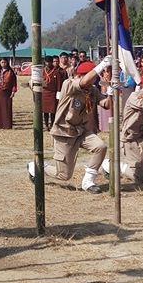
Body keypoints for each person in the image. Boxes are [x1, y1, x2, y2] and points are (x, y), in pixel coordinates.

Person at [39, 57, 112, 193]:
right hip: (64, 132)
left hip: (81, 130)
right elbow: (84, 82)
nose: (92, 82)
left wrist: (111, 91)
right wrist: (102, 65)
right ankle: (38, 168)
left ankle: (88, 182)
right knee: (64, 175)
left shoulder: (92, 90)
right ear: (79, 75)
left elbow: (106, 105)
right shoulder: (69, 84)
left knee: (100, 147)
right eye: (91, 77)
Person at [41, 56, 66, 131]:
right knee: (45, 111)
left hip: (53, 93)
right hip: (44, 93)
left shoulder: (56, 71)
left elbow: (59, 83)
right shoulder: (43, 71)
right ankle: (46, 125)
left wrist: (58, 94)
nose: (48, 63)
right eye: (46, 62)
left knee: (53, 111)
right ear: (45, 62)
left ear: (52, 62)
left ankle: (52, 125)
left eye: (49, 62)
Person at [0, 58, 17, 129]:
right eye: (2, 62)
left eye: (4, 62)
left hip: (7, 92)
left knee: (7, 108)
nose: (3, 64)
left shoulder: (11, 72)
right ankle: (0, 125)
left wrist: (13, 92)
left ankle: (7, 125)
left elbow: (14, 83)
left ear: (7, 63)